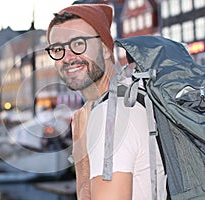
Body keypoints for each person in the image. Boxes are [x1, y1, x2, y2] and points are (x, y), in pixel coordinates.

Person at [45, 3, 167, 199]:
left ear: (106, 49)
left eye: (78, 43)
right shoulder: (133, 95)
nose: (67, 58)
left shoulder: (109, 115)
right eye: (58, 49)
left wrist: (80, 151)